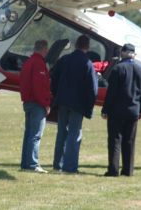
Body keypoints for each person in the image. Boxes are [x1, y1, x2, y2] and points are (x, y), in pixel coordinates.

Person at [51, 35, 98, 173]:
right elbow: (93, 89)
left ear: (76, 44)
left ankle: (57, 164)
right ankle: (70, 166)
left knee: (61, 133)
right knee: (74, 134)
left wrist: (56, 94)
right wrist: (89, 107)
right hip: (78, 104)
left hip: (62, 102)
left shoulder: (64, 60)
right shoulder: (87, 63)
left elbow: (54, 77)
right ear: (87, 47)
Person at [101, 43, 141, 177]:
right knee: (129, 141)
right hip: (133, 110)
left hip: (117, 110)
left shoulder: (118, 69)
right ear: (134, 54)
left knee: (115, 139)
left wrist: (105, 109)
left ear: (123, 53)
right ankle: (128, 170)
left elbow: (111, 92)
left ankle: (113, 169)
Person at [19, 40, 51, 173]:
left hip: (28, 102)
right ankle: (32, 164)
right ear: (43, 49)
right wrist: (45, 104)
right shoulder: (38, 64)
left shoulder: (28, 62)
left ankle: (25, 163)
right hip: (37, 103)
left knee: (29, 134)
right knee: (36, 135)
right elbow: (38, 86)